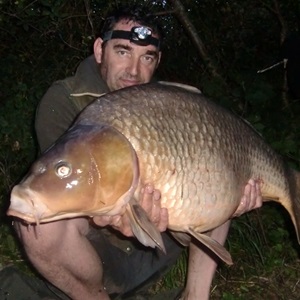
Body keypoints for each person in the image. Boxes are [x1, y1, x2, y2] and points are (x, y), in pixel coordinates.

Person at [0, 5, 262, 300]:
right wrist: (115, 215)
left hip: (157, 246)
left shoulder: (171, 105)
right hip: (93, 256)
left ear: (157, 61)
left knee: (212, 164)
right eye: (123, 51)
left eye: (147, 57)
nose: (134, 71)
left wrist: (230, 202)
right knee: (36, 226)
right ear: (100, 50)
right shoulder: (62, 100)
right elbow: (68, 183)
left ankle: (196, 295)